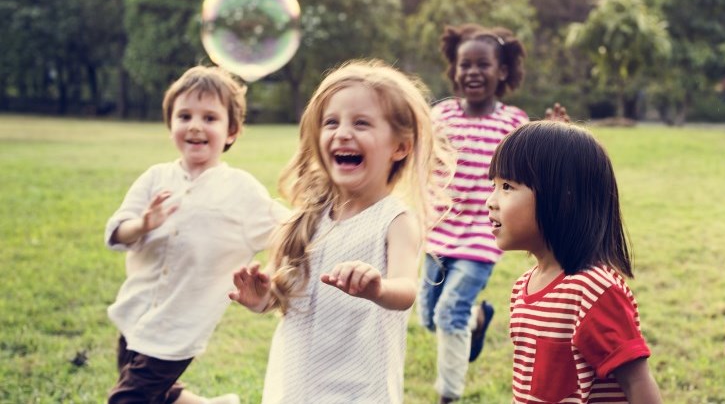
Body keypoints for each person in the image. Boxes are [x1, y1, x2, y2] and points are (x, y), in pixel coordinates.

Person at [228, 59, 451, 403]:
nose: (342, 132)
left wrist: (378, 288)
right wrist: (262, 299)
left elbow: (406, 288)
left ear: (400, 147)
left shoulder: (395, 219)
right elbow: (284, 290)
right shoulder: (308, 217)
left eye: (361, 123)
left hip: (359, 386)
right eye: (331, 122)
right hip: (298, 380)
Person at [104, 66, 288, 404]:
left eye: (209, 118)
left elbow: (287, 229)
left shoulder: (241, 190)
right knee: (152, 391)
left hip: (179, 325)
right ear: (170, 123)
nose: (195, 125)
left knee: (127, 400)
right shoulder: (155, 177)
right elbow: (118, 231)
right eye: (184, 115)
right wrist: (143, 224)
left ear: (231, 131)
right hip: (136, 311)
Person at [487, 121, 663, 403]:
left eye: (507, 186)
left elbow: (636, 382)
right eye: (493, 185)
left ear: (561, 198)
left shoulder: (594, 291)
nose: (491, 201)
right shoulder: (523, 287)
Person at [417, 22, 531, 403]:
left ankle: (449, 394)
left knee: (450, 310)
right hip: (438, 230)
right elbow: (420, 158)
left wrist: (555, 132)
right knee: (429, 317)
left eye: (483, 64)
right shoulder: (441, 115)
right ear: (454, 70)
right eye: (464, 65)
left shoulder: (513, 122)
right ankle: (479, 319)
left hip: (484, 234)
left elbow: (533, 161)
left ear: (502, 71)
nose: (472, 72)